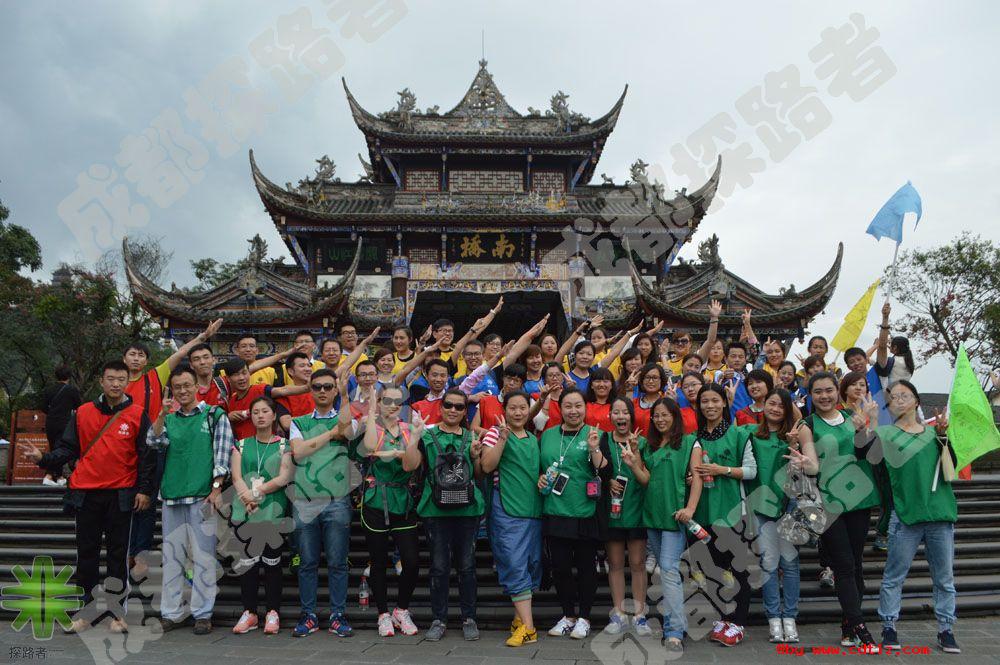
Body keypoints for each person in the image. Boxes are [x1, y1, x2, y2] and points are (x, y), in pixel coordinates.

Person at [25, 361, 155, 634]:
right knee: (86, 555)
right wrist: (43, 459)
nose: (116, 384)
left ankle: (117, 615)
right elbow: (67, 448)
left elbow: (146, 455)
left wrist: (144, 490)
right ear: (101, 381)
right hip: (86, 494)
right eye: (111, 379)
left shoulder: (137, 414)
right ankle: (85, 613)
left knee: (118, 556)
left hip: (121, 494)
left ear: (127, 382)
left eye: (121, 379)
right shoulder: (83, 412)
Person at [125, 319, 223, 572]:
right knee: (127, 500)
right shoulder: (116, 382)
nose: (136, 359)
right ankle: (128, 550)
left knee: (147, 498)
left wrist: (202, 336)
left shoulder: (153, 377)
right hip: (123, 447)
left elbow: (179, 354)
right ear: (124, 359)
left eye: (141, 355)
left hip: (153, 443)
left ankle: (141, 553)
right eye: (132, 354)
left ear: (147, 360)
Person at [872, 381, 960, 654]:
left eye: (905, 395)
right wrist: (869, 424)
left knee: (944, 578)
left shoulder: (935, 433)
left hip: (939, 514)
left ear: (917, 401)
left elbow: (952, 470)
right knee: (894, 576)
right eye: (893, 397)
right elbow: (870, 460)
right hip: (905, 514)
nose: (899, 400)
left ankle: (946, 629)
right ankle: (889, 626)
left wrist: (944, 438)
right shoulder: (885, 434)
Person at [146, 366, 234, 635]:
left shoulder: (214, 415)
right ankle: (171, 613)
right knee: (172, 557)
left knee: (204, 557)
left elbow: (222, 455)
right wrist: (162, 413)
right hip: (172, 496)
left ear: (197, 386)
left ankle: (202, 614)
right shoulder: (170, 419)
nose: (182, 391)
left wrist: (216, 488)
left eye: (187, 385)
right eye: (177, 387)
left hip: (202, 496)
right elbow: (153, 442)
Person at [797, 372, 881, 648]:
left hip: (858, 499)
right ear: (811, 396)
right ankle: (861, 628)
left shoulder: (852, 418)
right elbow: (812, 465)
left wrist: (865, 429)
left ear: (837, 391)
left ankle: (848, 625)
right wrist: (804, 464)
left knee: (856, 565)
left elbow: (870, 456)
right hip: (828, 503)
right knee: (843, 565)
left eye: (828, 390)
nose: (824, 396)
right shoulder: (808, 424)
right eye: (818, 391)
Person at [402, 389, 485, 642]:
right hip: (435, 509)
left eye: (459, 407)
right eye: (448, 405)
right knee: (439, 567)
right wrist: (414, 437)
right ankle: (439, 619)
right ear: (440, 407)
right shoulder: (427, 435)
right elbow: (409, 465)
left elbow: (479, 474)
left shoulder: (472, 436)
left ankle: (469, 618)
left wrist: (476, 456)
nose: (453, 410)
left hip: (468, 509)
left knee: (467, 566)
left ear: (465, 411)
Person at [288, 369, 358, 638]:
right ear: (310, 390)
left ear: (334, 390)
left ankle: (338, 615)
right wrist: (330, 435)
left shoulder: (343, 417)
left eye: (328, 387)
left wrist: (345, 396)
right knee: (307, 562)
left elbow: (348, 432)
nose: (322, 391)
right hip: (304, 500)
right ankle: (309, 615)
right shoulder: (298, 421)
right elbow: (299, 451)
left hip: (337, 499)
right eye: (317, 386)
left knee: (338, 562)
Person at [746, 389, 819, 644]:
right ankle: (773, 619)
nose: (775, 409)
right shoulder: (750, 434)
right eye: (772, 403)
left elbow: (805, 472)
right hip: (761, 507)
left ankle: (790, 617)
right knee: (768, 562)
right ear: (763, 405)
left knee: (789, 564)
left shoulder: (795, 436)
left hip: (789, 507)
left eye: (781, 405)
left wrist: (794, 446)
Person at [689, 383, 758, 647]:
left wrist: (723, 470)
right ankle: (723, 619)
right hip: (703, 513)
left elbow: (751, 471)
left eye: (715, 400)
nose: (710, 406)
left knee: (738, 570)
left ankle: (738, 623)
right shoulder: (694, 438)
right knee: (712, 569)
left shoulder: (739, 434)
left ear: (725, 403)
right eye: (704, 401)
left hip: (732, 512)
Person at [539, 389, 611, 640]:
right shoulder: (547, 435)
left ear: (585, 407)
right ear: (560, 408)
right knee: (560, 567)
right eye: (568, 406)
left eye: (578, 405)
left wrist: (594, 449)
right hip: (555, 509)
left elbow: (605, 470)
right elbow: (540, 468)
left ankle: (584, 617)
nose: (573, 411)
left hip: (584, 511)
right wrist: (540, 478)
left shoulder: (596, 433)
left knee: (585, 567)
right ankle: (568, 615)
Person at [633, 396, 701, 653]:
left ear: (675, 416)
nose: (660, 419)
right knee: (666, 570)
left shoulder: (690, 443)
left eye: (665, 415)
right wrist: (634, 458)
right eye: (656, 415)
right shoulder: (649, 445)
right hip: (653, 514)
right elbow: (646, 479)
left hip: (675, 515)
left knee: (669, 569)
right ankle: (677, 624)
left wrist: (690, 509)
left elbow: (697, 478)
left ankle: (674, 632)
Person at [358, 383, 424, 638]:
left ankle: (401, 609)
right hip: (376, 500)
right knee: (378, 560)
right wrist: (372, 410)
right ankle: (383, 614)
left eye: (398, 401)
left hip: (402, 499)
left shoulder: (409, 429)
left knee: (412, 560)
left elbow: (410, 465)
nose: (393, 406)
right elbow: (370, 449)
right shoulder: (371, 426)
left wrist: (414, 439)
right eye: (387, 401)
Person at [480, 392, 544, 647]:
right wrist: (503, 438)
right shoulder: (495, 433)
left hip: (533, 510)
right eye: (513, 408)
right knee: (514, 564)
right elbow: (486, 466)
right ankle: (529, 628)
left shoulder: (533, 438)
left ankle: (519, 620)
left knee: (531, 565)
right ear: (504, 410)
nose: (518, 413)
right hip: (507, 509)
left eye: (523, 408)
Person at [231, 396, 294, 635]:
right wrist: (247, 498)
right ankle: (249, 612)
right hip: (245, 510)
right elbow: (236, 476)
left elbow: (284, 477)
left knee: (271, 563)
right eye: (255, 412)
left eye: (265, 411)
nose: (260, 416)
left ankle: (272, 612)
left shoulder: (284, 445)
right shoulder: (241, 444)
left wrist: (255, 493)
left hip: (272, 510)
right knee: (247, 564)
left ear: (274, 415)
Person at [601, 397, 650, 636]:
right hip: (612, 511)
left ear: (632, 416)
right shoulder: (602, 440)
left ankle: (640, 615)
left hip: (636, 508)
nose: (621, 416)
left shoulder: (643, 442)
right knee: (616, 563)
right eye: (616, 412)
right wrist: (607, 481)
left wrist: (636, 451)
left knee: (638, 564)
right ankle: (619, 614)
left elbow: (646, 477)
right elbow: (595, 469)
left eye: (625, 412)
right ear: (610, 416)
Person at [221, 359, 308, 442]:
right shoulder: (231, 401)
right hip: (242, 447)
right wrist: (228, 417)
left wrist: (307, 388)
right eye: (236, 375)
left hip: (267, 445)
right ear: (228, 378)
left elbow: (282, 390)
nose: (241, 378)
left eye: (244, 373)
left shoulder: (260, 390)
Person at [40, 365, 82, 485]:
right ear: (69, 376)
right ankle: (49, 476)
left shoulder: (49, 390)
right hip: (64, 423)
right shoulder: (72, 390)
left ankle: (58, 477)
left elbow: (43, 407)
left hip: (50, 423)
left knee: (54, 448)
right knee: (60, 449)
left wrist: (52, 412)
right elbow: (79, 407)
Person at [875, 302, 915, 388]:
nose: (889, 345)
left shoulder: (892, 361)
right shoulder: (909, 363)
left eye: (891, 344)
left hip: (890, 394)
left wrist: (885, 318)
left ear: (895, 347)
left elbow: (882, 348)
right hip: (904, 394)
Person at [631, 364, 669, 436]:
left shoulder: (667, 402)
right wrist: (629, 390)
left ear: (661, 380)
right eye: (647, 377)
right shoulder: (634, 403)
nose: (651, 381)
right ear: (642, 380)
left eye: (655, 378)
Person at [584, 368, 617, 432]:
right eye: (598, 381)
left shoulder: (617, 405)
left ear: (612, 385)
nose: (601, 385)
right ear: (591, 385)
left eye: (605, 381)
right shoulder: (584, 405)